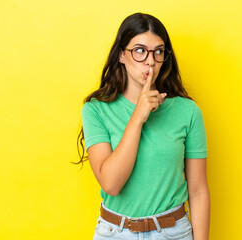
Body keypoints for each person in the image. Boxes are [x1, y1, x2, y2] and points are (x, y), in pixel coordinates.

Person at [74, 12, 210, 240]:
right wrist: (137, 117)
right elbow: (111, 184)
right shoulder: (95, 110)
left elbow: (198, 191)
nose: (150, 61)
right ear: (120, 55)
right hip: (115, 233)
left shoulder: (187, 112)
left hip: (172, 232)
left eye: (158, 52)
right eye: (139, 50)